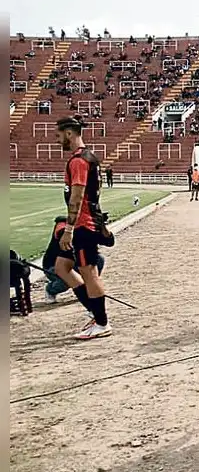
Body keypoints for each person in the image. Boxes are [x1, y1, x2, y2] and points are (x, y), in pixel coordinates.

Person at [55, 115, 112, 339]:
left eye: (59, 136)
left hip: (82, 226)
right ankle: (94, 311)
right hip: (85, 223)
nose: (58, 140)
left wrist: (69, 229)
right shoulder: (88, 158)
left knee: (89, 272)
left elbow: (77, 197)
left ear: (70, 133)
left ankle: (102, 322)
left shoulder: (79, 161)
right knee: (62, 267)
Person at [43, 216, 107, 303]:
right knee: (67, 280)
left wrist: (101, 228)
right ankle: (50, 290)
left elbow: (108, 241)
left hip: (75, 262)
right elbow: (60, 232)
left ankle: (89, 288)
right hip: (53, 265)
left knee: (99, 259)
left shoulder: (88, 226)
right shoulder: (62, 224)